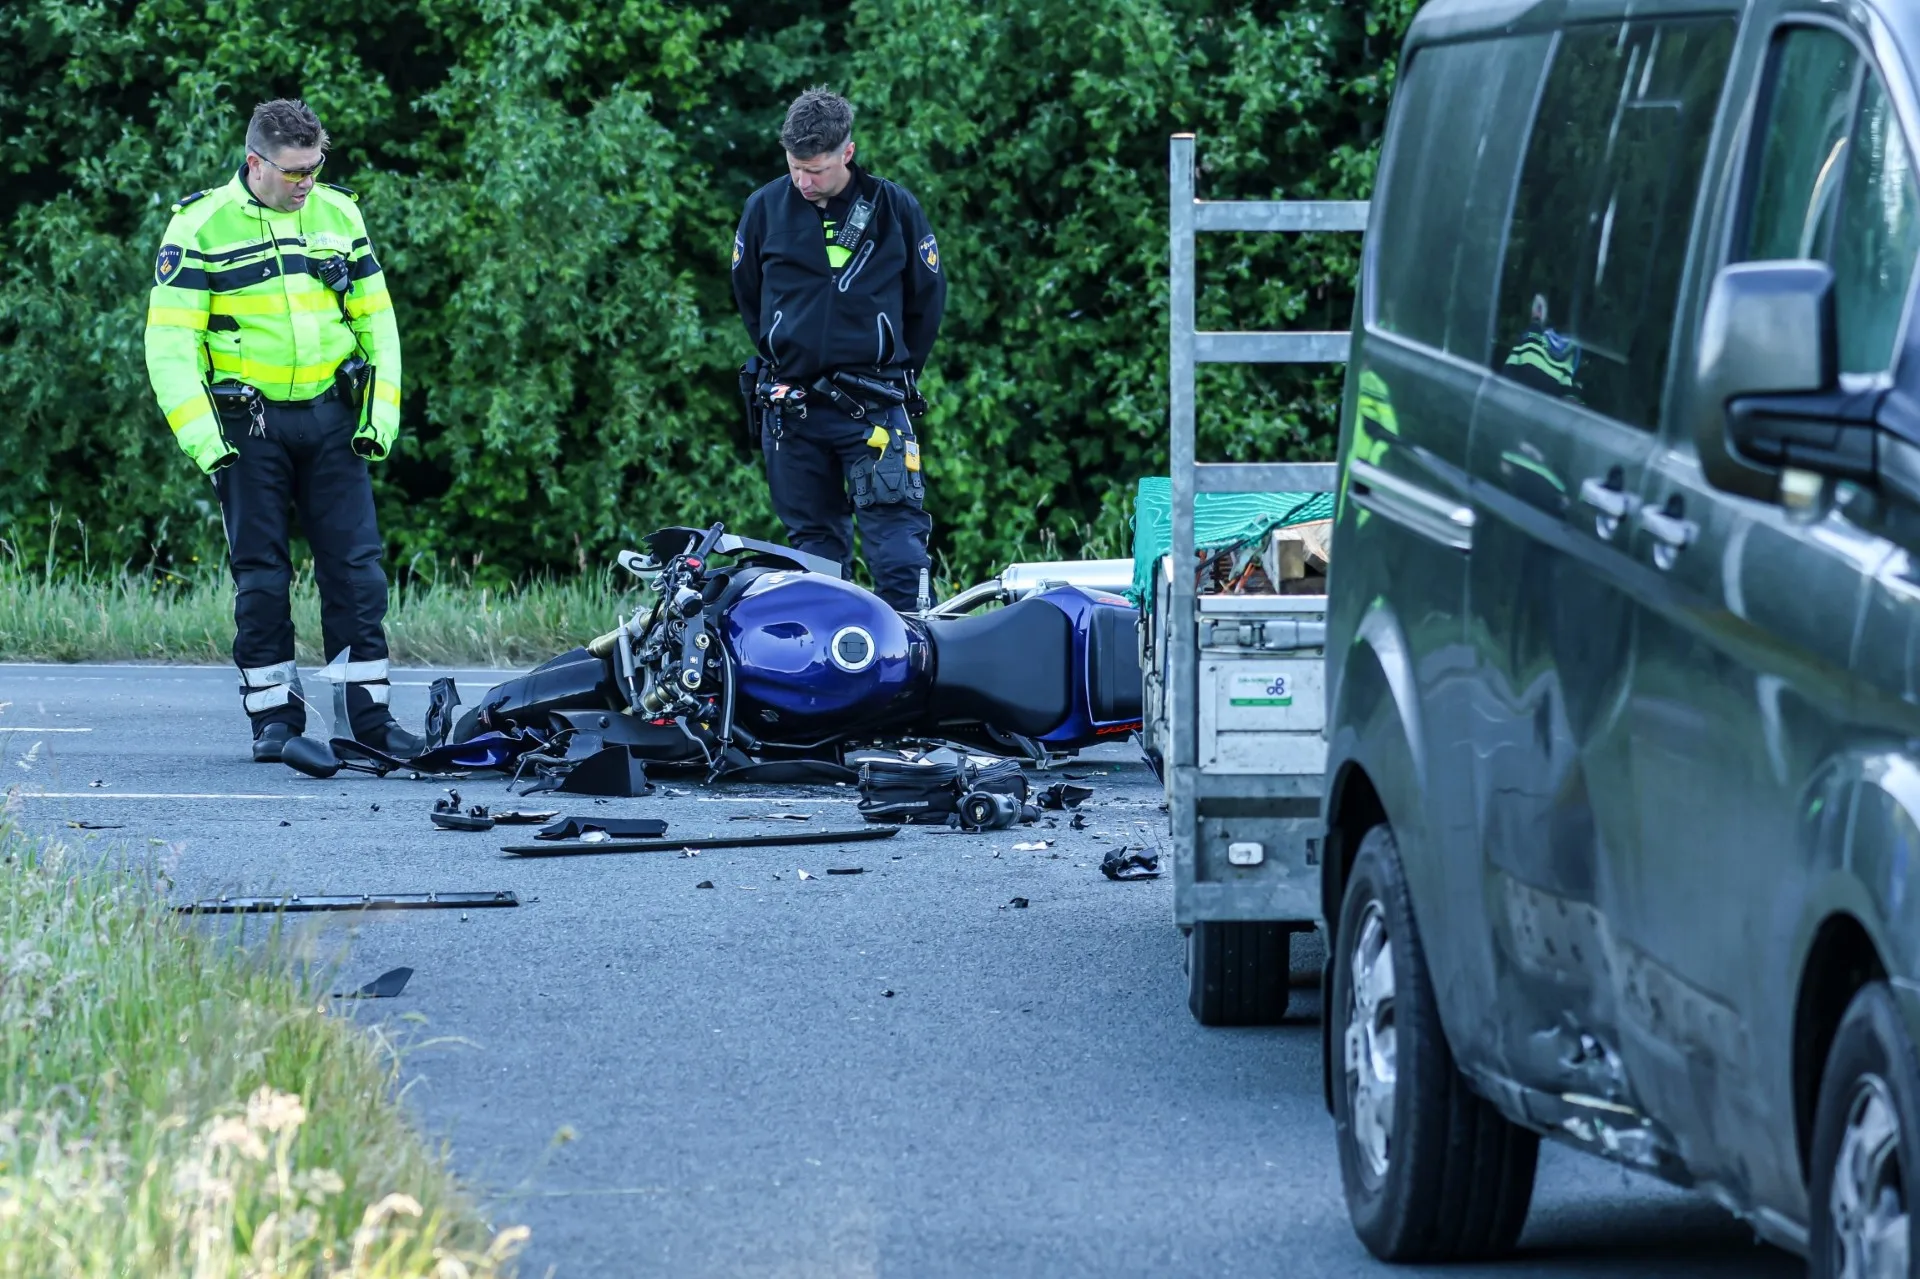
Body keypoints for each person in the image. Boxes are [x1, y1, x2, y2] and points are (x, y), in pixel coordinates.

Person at [144, 98, 419, 762]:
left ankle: (368, 719)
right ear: (255, 163)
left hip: (332, 417)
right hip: (246, 426)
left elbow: (377, 322)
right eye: (294, 172)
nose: (306, 184)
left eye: (314, 169)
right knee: (262, 577)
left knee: (357, 573)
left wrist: (378, 419)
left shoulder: (339, 212)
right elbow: (169, 350)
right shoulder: (199, 226)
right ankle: (274, 721)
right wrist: (210, 444)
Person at [731, 87, 947, 612]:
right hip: (795, 408)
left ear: (846, 153)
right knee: (813, 561)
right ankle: (831, 679)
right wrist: (789, 350)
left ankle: (916, 668)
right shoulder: (764, 208)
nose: (804, 180)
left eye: (817, 169)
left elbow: (927, 299)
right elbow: (749, 296)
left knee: (898, 549)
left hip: (873, 404)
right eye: (795, 166)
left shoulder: (894, 208)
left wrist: (889, 366)